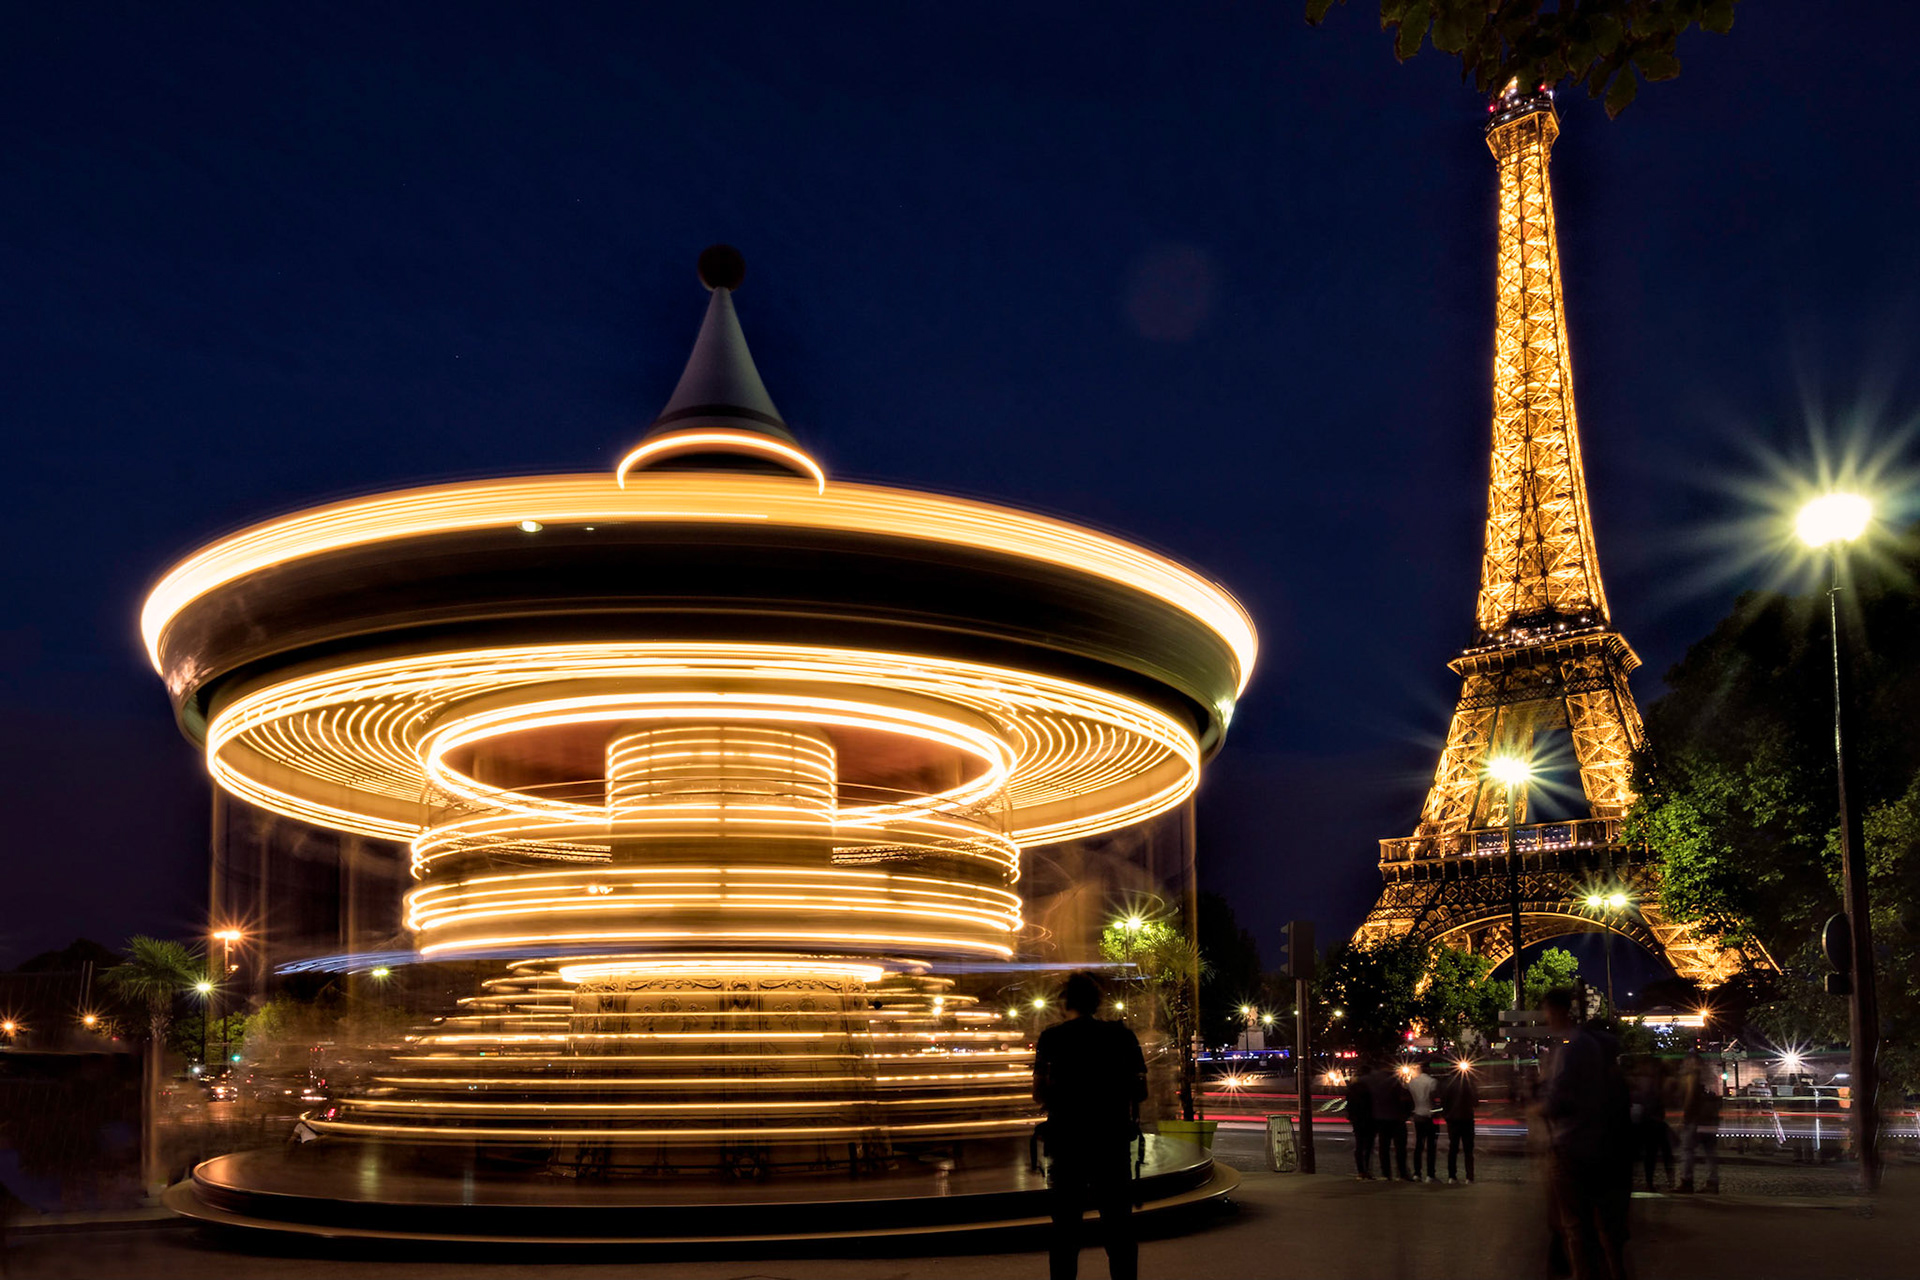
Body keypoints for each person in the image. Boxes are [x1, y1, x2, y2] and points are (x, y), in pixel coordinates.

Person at [1033, 971, 1147, 1280]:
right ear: (1097, 1002)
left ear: (1064, 1003)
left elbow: (1038, 1093)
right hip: (1111, 1141)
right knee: (1119, 1228)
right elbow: (1140, 1091)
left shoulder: (1051, 1038)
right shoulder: (1122, 1036)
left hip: (1067, 1141)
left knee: (1065, 1230)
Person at [1539, 987, 1632, 1280]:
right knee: (1605, 1228)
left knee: (1575, 1228)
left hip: (1571, 1148)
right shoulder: (1597, 1052)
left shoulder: (1570, 1049)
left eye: (1546, 1011)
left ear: (1557, 1010)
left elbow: (1558, 1101)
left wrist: (1539, 1105)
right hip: (1603, 1147)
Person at [1677, 1049, 1720, 1194]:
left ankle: (1687, 1181)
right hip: (1710, 1118)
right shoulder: (1709, 1075)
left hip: (1695, 1118)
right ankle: (1713, 1181)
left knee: (1688, 1150)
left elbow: (1690, 1096)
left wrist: (1684, 1116)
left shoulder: (1692, 1075)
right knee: (1709, 1151)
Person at [1364, 1059, 1412, 1180]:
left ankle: (1386, 1173)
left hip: (1379, 1117)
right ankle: (1402, 1172)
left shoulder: (1373, 1080)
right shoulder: (1394, 1080)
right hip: (1396, 1117)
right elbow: (1404, 1098)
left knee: (1383, 1147)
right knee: (1400, 1147)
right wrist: (1406, 1114)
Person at [1630, 1056, 1674, 1191]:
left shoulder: (1643, 1080)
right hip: (1652, 1121)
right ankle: (1666, 1181)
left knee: (1652, 1153)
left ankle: (1652, 1182)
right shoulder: (1650, 1081)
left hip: (1649, 1120)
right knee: (1657, 1153)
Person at [1440, 1062, 1477, 1185]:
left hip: (1452, 1119)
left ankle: (1452, 1176)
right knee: (1468, 1150)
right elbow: (1475, 1101)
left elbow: (1443, 1102)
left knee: (1453, 1148)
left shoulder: (1446, 1084)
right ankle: (1469, 1176)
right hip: (1466, 1118)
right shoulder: (1469, 1082)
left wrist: (1446, 1115)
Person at [1408, 1059, 1440, 1182]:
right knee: (1431, 1146)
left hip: (1417, 1115)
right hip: (1429, 1116)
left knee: (1418, 1145)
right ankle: (1430, 1174)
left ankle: (1417, 1173)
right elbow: (1434, 1100)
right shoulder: (1432, 1082)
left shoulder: (1412, 1082)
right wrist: (1437, 1113)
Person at [1345, 1064, 1376, 1179]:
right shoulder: (1370, 1087)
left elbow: (1349, 1104)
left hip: (1357, 1119)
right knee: (1368, 1146)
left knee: (1359, 1144)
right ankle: (1367, 1169)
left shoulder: (1353, 1088)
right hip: (1369, 1118)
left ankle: (1361, 1171)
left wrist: (1351, 1116)